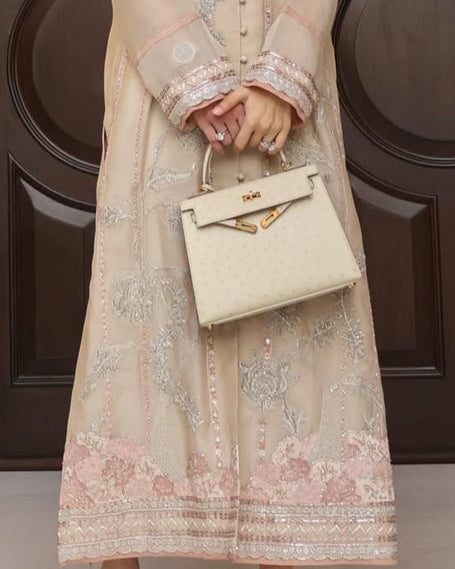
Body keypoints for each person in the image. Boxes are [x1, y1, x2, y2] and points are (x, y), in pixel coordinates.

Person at [57, 1, 398, 567]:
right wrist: (196, 82)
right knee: (150, 301)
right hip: (159, 79)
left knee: (292, 288)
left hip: (284, 66)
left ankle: (281, 535)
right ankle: (122, 535)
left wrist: (281, 79)